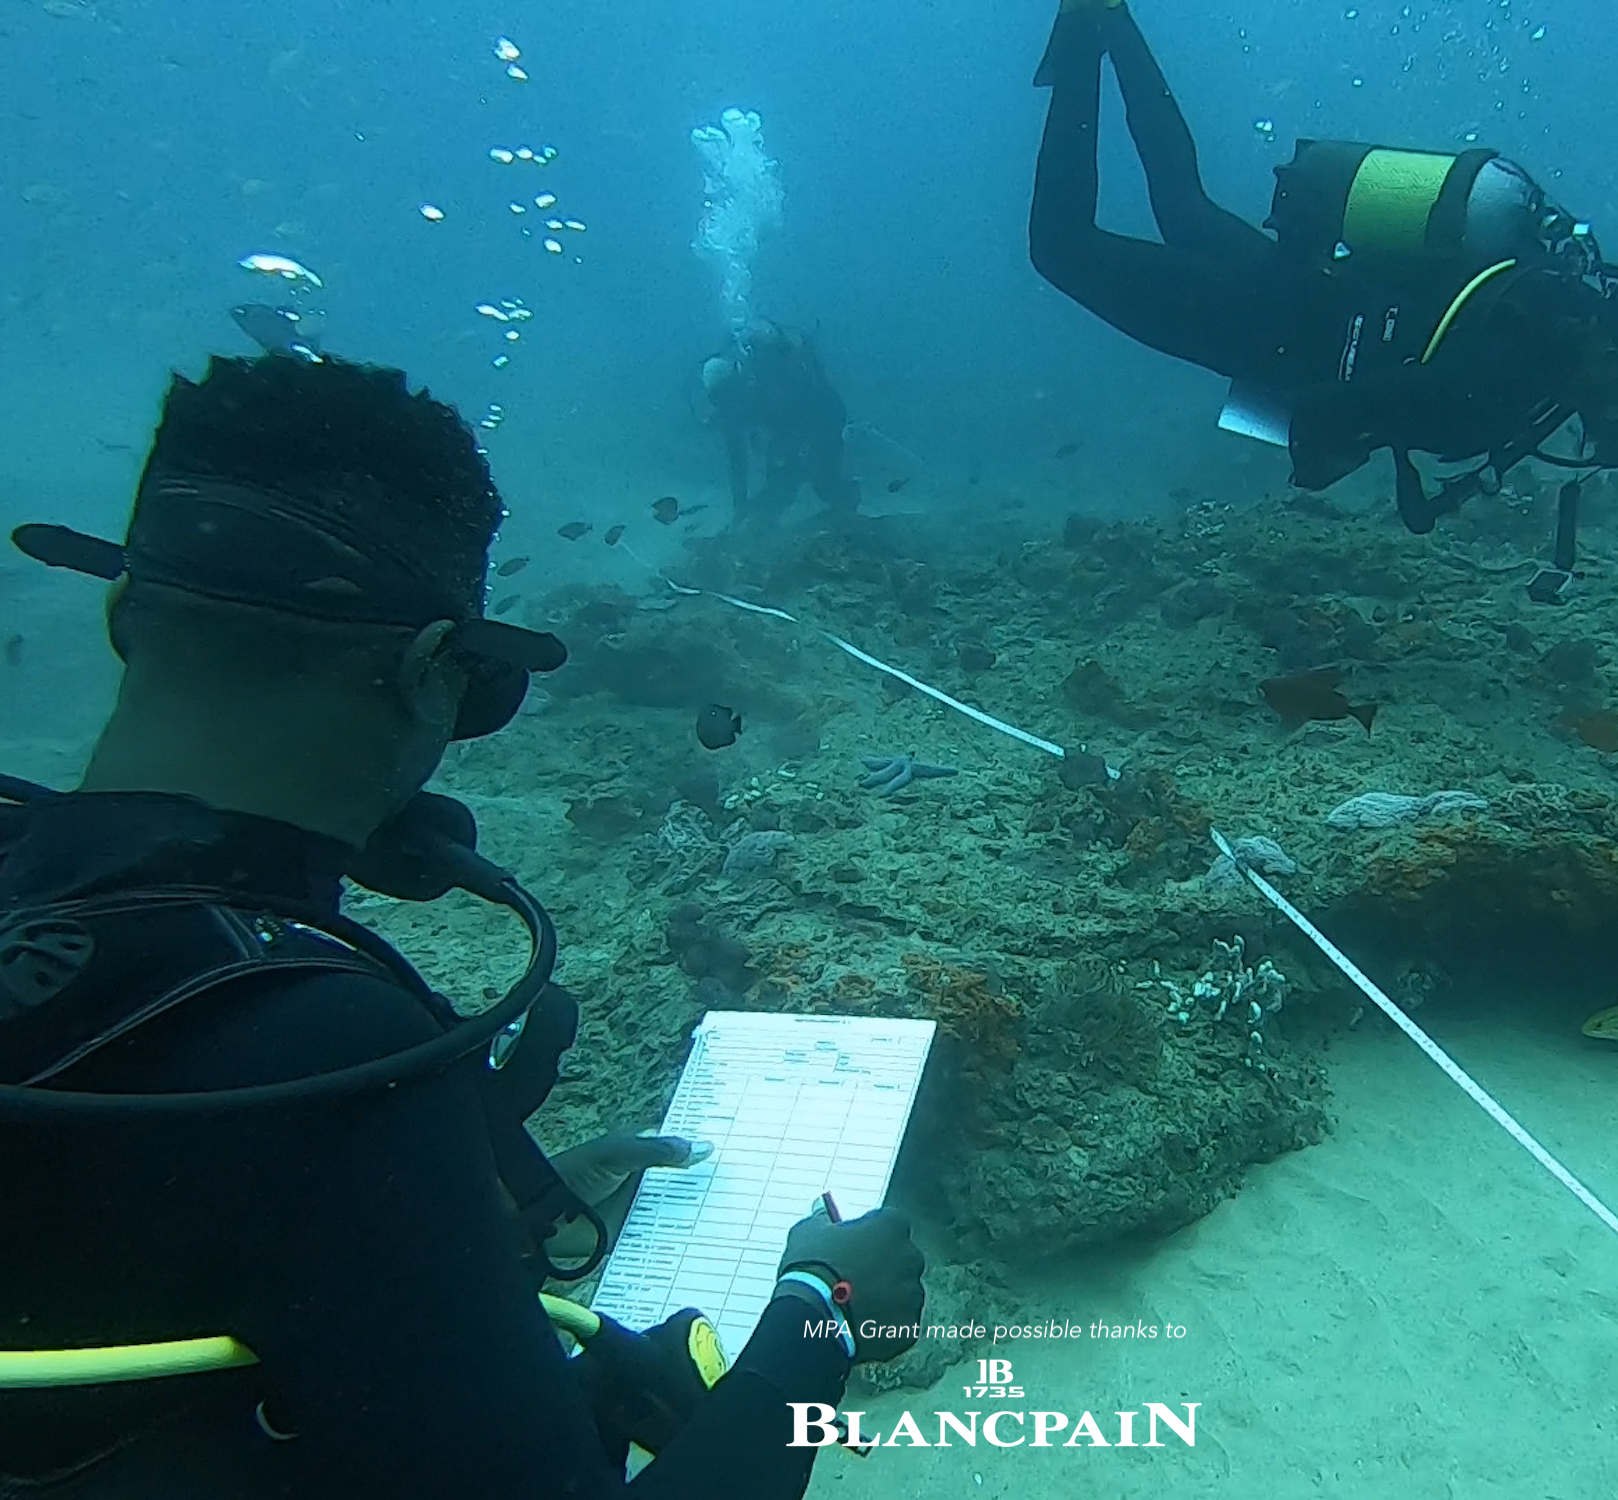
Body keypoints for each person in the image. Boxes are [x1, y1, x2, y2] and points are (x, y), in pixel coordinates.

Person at [0, 352, 925, 1497]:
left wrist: (458, 1233)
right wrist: (816, 1315)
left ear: (122, 611)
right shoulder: (323, 1056)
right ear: (434, 669)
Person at [1029, 0, 1618, 596]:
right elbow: (1324, 409)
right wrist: (1322, 460)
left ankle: (1108, 17)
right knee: (1059, 248)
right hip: (1263, 327)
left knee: (1183, 204)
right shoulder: (1509, 380)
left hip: (1306, 282)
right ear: (1617, 352)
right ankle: (1088, 40)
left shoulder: (1550, 304)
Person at [696, 318, 862, 525]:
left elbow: (818, 410)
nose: (726, 406)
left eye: (726, 396)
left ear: (738, 380)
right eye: (717, 399)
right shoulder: (732, 406)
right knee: (777, 491)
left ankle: (849, 511)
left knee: (824, 483)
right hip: (788, 426)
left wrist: (804, 452)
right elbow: (736, 458)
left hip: (821, 414)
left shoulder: (771, 374)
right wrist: (739, 506)